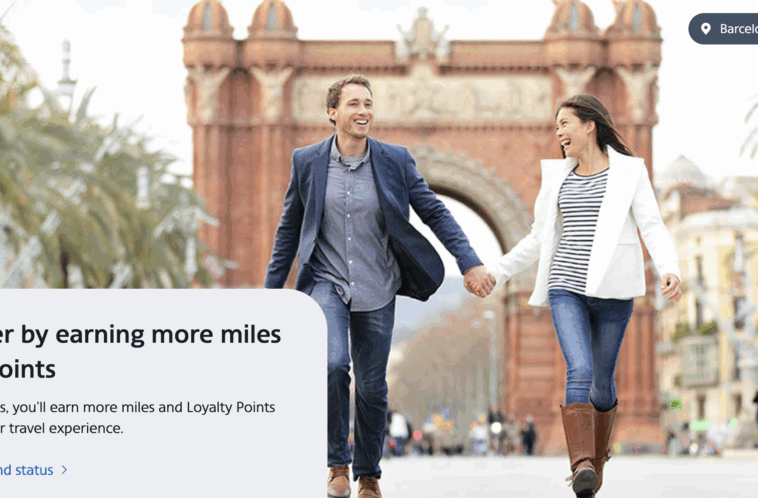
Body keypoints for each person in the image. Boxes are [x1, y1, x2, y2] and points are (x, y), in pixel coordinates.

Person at [264, 73, 495, 498]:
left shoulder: (394, 160)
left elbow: (435, 212)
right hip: (325, 283)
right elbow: (289, 229)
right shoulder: (307, 161)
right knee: (333, 366)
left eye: (368, 103)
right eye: (353, 104)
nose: (363, 111)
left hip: (377, 284)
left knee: (371, 386)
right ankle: (337, 464)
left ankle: (368, 474)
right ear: (332, 112)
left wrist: (470, 262)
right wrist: (270, 294)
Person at [477, 94, 682, 497]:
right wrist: (495, 272)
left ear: (589, 125)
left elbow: (653, 226)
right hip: (565, 287)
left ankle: (597, 459)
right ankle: (581, 464)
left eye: (565, 124)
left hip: (613, 291)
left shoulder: (630, 172)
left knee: (603, 385)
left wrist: (669, 268)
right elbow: (539, 238)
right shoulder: (556, 178)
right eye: (556, 127)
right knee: (580, 370)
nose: (559, 133)